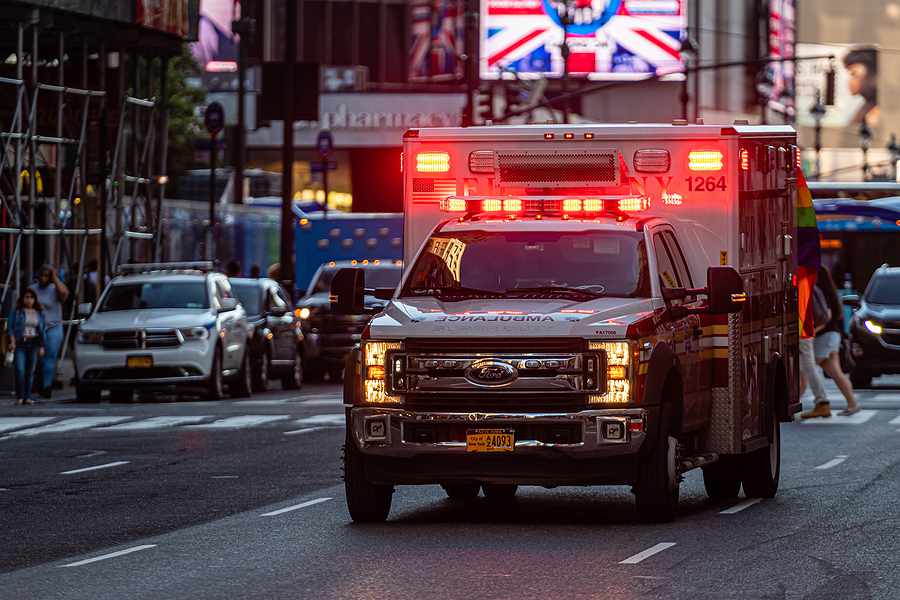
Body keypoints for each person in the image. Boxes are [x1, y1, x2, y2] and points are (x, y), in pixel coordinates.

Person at [802, 267, 860, 418]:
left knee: (806, 369)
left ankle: (820, 402)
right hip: (832, 334)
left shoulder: (819, 292)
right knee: (834, 372)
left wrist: (812, 331)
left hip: (825, 335)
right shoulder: (830, 292)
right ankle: (851, 403)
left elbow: (826, 316)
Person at [29, 265, 69, 398]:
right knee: (35, 357)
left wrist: (55, 278)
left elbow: (65, 295)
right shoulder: (32, 289)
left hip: (53, 327)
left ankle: (47, 387)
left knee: (50, 358)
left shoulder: (55, 289)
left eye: (47, 276)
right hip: (36, 328)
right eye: (41, 275)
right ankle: (34, 384)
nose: (43, 278)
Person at [7, 289, 46, 405]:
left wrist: (42, 346)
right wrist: (12, 342)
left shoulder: (39, 313)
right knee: (20, 370)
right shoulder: (17, 312)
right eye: (26, 297)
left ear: (35, 299)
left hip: (33, 343)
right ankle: (20, 396)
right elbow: (10, 328)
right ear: (22, 299)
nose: (29, 300)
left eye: (31, 297)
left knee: (31, 371)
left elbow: (42, 331)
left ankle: (27, 396)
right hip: (20, 343)